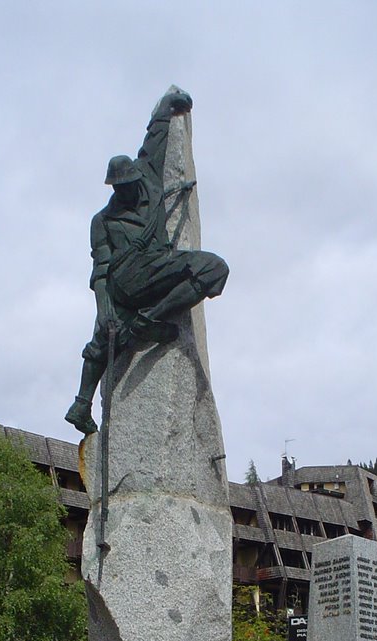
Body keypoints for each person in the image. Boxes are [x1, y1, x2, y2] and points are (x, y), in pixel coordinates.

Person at [65, 88, 229, 435]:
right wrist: (104, 310)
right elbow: (101, 273)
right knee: (106, 335)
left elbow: (152, 142)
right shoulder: (103, 221)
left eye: (128, 184)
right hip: (125, 281)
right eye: (118, 187)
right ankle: (81, 404)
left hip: (158, 268)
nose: (125, 191)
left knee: (214, 268)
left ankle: (149, 321)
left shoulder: (150, 180)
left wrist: (166, 109)